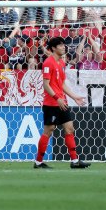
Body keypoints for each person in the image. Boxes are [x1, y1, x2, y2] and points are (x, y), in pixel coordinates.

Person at [35, 37, 89, 169]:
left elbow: (62, 84)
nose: (63, 47)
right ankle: (38, 162)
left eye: (63, 45)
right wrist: (56, 98)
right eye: (60, 45)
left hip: (62, 102)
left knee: (69, 128)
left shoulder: (61, 63)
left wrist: (74, 96)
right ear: (53, 48)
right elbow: (45, 85)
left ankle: (75, 161)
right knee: (49, 130)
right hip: (51, 103)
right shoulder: (48, 63)